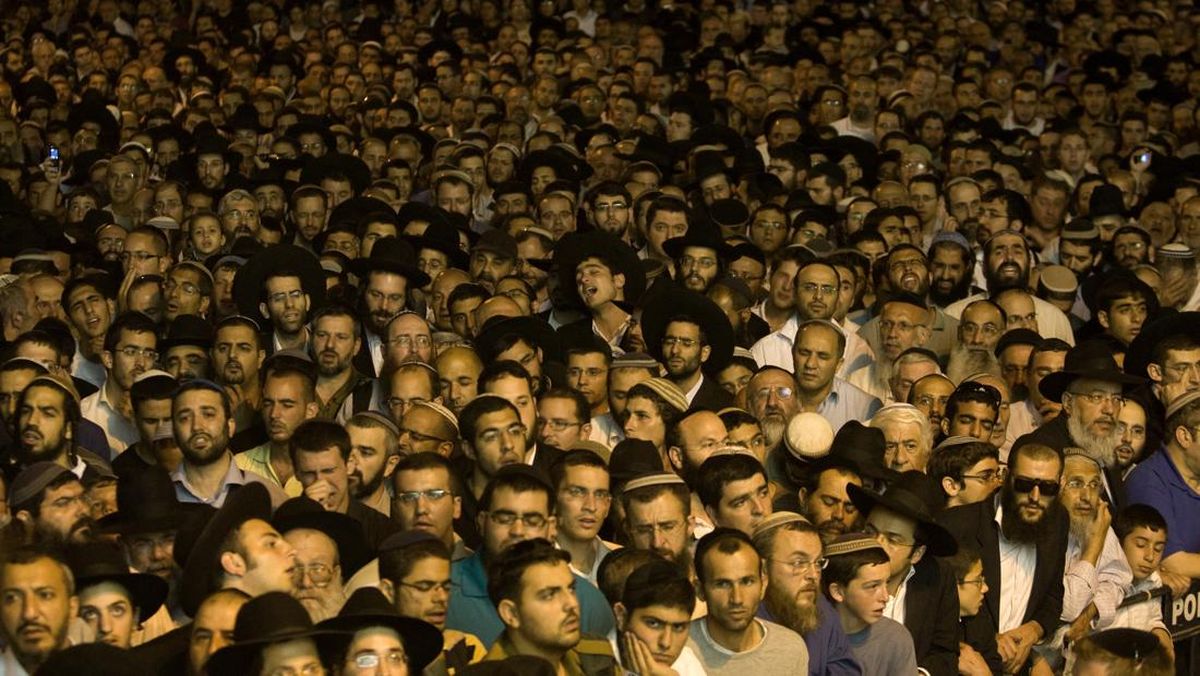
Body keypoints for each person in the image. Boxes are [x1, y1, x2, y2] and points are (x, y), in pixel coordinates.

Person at [446, 464, 615, 645]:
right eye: (504, 519)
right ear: (482, 522)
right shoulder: (442, 592)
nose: (517, 531)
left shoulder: (586, 602)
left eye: (532, 521)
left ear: (551, 527)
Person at [938, 442, 1069, 674]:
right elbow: (935, 608)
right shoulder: (957, 526)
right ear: (1006, 477)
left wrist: (1034, 630)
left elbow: (1053, 594)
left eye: (1048, 488)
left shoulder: (1058, 521)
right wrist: (988, 643)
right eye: (1024, 484)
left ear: (1061, 485)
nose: (1035, 497)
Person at [850, 471, 960, 675]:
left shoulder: (938, 577)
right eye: (871, 532)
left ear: (917, 554)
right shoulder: (840, 571)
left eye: (893, 540)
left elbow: (945, 653)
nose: (876, 545)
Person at [482, 538, 617, 671]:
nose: (572, 604)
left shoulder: (598, 659)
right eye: (549, 595)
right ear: (511, 614)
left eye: (571, 589)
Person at [687, 527, 810, 674]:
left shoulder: (790, 650)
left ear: (763, 584)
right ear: (700, 590)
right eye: (723, 584)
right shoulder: (679, 649)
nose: (737, 599)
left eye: (747, 582)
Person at [751, 512, 861, 676]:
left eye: (818, 563)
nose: (813, 575)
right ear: (763, 568)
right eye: (799, 563)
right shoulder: (743, 616)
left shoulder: (822, 610)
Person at [377, 530, 486, 672]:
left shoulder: (464, 648)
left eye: (446, 587)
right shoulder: (370, 657)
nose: (441, 597)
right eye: (424, 587)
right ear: (388, 591)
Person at [288, 419, 398, 549]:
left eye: (329, 471)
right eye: (309, 473)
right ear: (296, 473)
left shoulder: (380, 530)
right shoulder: (286, 524)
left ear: (349, 465)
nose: (320, 481)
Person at [820, 533, 918, 674]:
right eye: (872, 586)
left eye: (887, 583)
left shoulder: (895, 639)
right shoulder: (812, 639)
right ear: (838, 592)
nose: (885, 597)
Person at [611, 558, 707, 675]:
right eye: (653, 624)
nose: (666, 643)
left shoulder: (686, 662)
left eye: (678, 627)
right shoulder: (595, 661)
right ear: (621, 617)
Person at [0, 546, 79, 674]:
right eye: (12, 598)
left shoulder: (105, 669)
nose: (29, 613)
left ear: (72, 608)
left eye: (45, 595)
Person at [550, 449, 616, 583]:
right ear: (553, 500)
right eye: (577, 492)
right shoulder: (532, 567)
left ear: (608, 505)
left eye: (600, 494)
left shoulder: (617, 564)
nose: (590, 506)